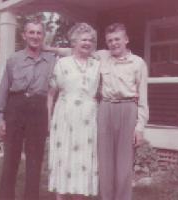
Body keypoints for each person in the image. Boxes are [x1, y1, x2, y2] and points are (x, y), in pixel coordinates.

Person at [45, 23, 149, 200]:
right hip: (105, 108)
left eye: (117, 39)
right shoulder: (102, 56)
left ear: (126, 39)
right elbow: (74, 50)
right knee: (104, 163)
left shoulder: (138, 63)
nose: (114, 43)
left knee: (124, 165)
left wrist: (140, 127)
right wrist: (47, 48)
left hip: (127, 108)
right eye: (110, 40)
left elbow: (144, 98)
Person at [0, 19, 56, 200]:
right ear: (24, 35)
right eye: (31, 32)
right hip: (16, 108)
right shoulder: (14, 59)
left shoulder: (51, 60)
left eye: (39, 33)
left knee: (35, 162)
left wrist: (51, 49)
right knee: (10, 159)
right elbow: (4, 88)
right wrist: (0, 118)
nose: (35, 36)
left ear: (43, 36)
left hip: (38, 110)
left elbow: (73, 50)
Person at [47, 23, 100, 200]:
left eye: (91, 40)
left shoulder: (97, 64)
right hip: (65, 117)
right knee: (64, 159)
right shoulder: (62, 63)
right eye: (83, 39)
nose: (87, 43)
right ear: (74, 42)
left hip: (88, 119)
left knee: (83, 161)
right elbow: (51, 94)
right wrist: (48, 118)